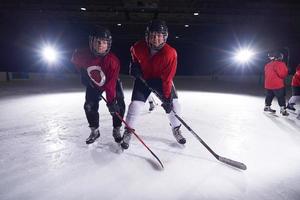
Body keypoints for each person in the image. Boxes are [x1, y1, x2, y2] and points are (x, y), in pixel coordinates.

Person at [120, 19, 186, 149]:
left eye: (159, 35)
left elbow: (167, 79)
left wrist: (167, 99)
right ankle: (128, 131)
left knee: (174, 105)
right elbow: (134, 56)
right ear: (147, 36)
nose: (156, 38)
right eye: (153, 35)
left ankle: (176, 128)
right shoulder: (138, 47)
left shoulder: (170, 53)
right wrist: (134, 66)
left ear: (164, 37)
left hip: (161, 81)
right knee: (135, 106)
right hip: (143, 79)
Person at [71, 26, 125, 144]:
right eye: (98, 42)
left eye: (104, 42)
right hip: (93, 83)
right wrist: (82, 73)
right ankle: (94, 131)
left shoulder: (113, 61)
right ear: (91, 42)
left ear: (108, 44)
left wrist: (111, 103)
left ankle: (117, 129)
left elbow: (110, 85)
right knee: (89, 107)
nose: (101, 45)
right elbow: (74, 60)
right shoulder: (82, 54)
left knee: (118, 107)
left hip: (111, 83)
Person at [263, 51, 289, 116]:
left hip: (268, 84)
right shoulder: (280, 64)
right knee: (281, 97)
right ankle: (283, 110)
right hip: (277, 84)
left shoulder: (267, 64)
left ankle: (267, 106)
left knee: (269, 96)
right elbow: (282, 74)